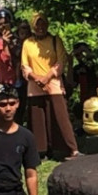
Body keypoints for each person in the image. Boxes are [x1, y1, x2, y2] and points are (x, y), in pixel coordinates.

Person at [21, 13, 79, 159]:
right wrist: (37, 78)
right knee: (37, 118)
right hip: (35, 85)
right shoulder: (28, 43)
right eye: (37, 24)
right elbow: (24, 66)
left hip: (53, 83)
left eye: (43, 24)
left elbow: (61, 61)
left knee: (60, 116)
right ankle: (41, 150)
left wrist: (47, 77)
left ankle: (71, 149)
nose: (40, 27)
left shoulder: (55, 40)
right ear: (33, 26)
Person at [0, 8, 20, 87]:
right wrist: (5, 44)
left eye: (6, 23)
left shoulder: (17, 38)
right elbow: (5, 60)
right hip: (6, 81)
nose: (3, 26)